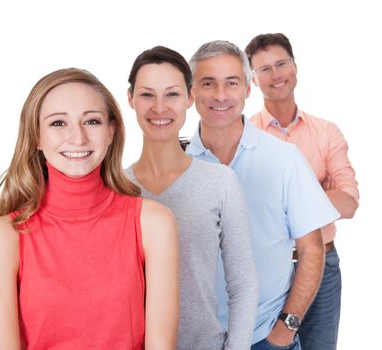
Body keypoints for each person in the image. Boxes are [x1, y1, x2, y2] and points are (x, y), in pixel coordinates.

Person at [0, 68, 179, 349]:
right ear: (36, 136)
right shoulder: (3, 236)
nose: (78, 137)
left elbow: (161, 344)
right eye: (58, 123)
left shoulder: (153, 223)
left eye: (92, 121)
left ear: (111, 131)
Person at [186, 40, 341, 350]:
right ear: (191, 92)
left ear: (247, 89)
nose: (220, 95)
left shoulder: (285, 159)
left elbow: (312, 249)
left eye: (231, 83)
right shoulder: (178, 166)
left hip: (266, 338)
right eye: (208, 83)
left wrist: (286, 328)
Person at [126, 46, 258, 350]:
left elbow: (243, 284)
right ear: (130, 98)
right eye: (147, 95)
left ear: (189, 97)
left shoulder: (220, 182)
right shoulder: (116, 188)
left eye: (171, 94)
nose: (159, 108)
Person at [245, 33, 359, 350]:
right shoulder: (245, 135)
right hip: (265, 269)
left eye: (282, 63)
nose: (276, 74)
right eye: (264, 68)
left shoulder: (326, 132)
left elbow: (348, 202)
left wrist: (282, 199)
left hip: (323, 266)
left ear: (295, 66)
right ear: (252, 80)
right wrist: (317, 195)